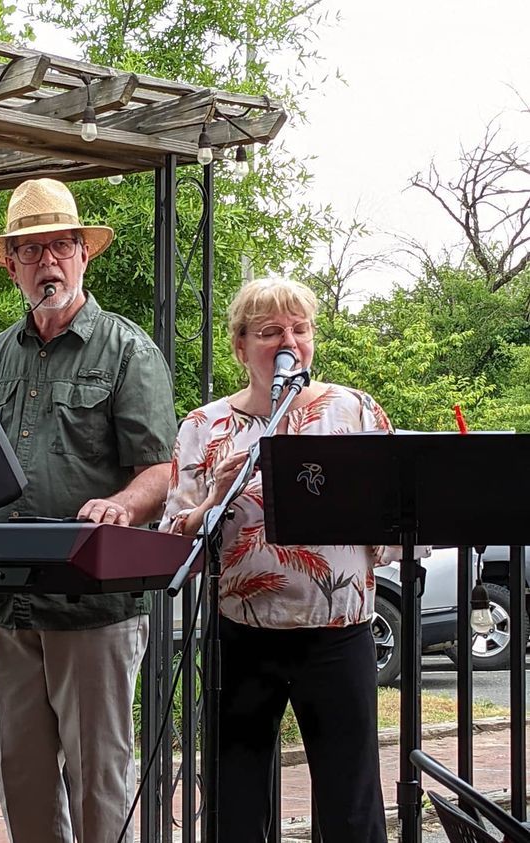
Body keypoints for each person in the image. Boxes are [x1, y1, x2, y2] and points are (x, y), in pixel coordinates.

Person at [0, 178, 177, 843]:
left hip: (93, 606)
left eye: (60, 244)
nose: (47, 261)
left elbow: (162, 468)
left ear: (83, 256)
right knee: (21, 785)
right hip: (6, 604)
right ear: (11, 266)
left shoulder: (126, 349)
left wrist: (120, 503)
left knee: (99, 790)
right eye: (30, 250)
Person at [160, 276, 391, 843]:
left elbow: (396, 528)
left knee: (350, 803)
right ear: (241, 347)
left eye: (300, 328)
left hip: (338, 631)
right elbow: (176, 540)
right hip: (241, 635)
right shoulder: (204, 426)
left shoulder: (353, 410)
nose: (289, 340)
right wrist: (214, 501)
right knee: (235, 803)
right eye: (270, 331)